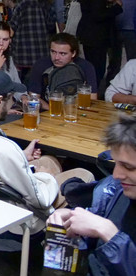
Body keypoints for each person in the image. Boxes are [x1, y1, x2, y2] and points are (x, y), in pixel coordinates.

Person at [0, 70, 94, 214]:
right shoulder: (1, 147)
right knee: (84, 174)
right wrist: (47, 177)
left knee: (50, 160)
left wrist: (21, 156)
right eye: (11, 97)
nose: (13, 102)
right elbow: (40, 200)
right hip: (15, 211)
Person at [48, 115, 136, 276]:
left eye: (128, 167)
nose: (116, 175)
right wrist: (71, 221)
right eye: (116, 163)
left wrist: (108, 232)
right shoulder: (116, 190)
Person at [77, 0, 123, 87]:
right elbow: (98, 14)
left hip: (88, 32)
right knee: (97, 70)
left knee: (93, 68)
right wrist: (117, 7)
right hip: (97, 34)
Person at [25, 33, 98, 110]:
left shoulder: (86, 67)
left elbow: (92, 98)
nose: (56, 57)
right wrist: (53, 110)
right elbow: (34, 98)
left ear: (73, 53)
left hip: (77, 111)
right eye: (53, 52)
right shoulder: (41, 65)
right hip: (48, 111)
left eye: (62, 54)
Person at [10, 0, 57, 77]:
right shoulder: (46, 1)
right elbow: (51, 24)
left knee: (23, 82)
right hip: (42, 49)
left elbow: (14, 24)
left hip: (22, 51)